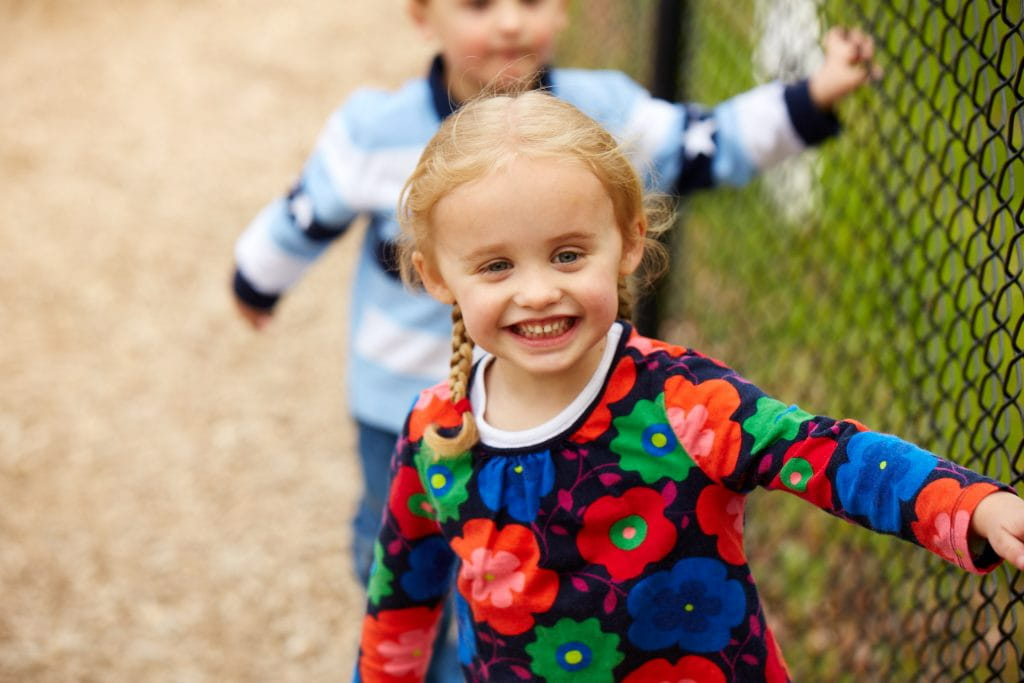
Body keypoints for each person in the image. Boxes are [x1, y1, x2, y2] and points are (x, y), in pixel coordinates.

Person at [231, 1, 876, 678]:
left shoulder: (600, 117)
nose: (510, 22)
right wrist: (257, 277)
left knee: (524, 563)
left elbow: (704, 140)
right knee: (400, 545)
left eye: (531, 0)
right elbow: (307, 210)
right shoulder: (374, 129)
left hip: (562, 401)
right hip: (397, 397)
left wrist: (811, 97)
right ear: (424, 16)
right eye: (481, 4)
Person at [354, 91, 1024, 682]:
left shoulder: (680, 401)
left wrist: (971, 506)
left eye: (567, 254)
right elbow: (401, 601)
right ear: (438, 276)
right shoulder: (436, 430)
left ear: (628, 241)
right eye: (496, 265)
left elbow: (827, 454)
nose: (538, 291)